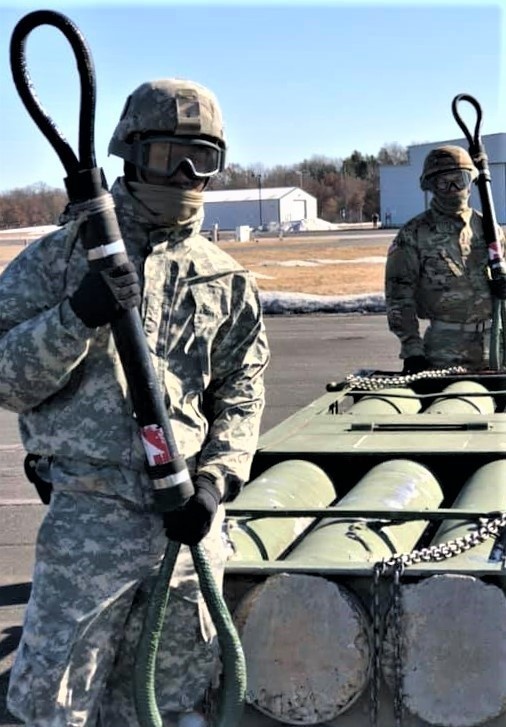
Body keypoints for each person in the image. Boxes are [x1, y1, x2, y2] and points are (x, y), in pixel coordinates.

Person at [2, 78, 270, 726]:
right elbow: (7, 377)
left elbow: (243, 387)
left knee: (175, 703)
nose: (184, 174)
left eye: (201, 158)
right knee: (52, 705)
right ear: (130, 152)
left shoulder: (225, 278)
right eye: (168, 156)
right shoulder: (58, 261)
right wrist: (76, 315)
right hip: (89, 523)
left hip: (187, 528)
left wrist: (215, 479)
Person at [385, 144, 506, 374]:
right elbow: (399, 297)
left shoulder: (490, 229)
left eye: (458, 180)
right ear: (430, 186)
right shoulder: (414, 234)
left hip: (495, 350)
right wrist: (412, 350)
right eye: (443, 182)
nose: (452, 189)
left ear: (469, 182)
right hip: (444, 355)